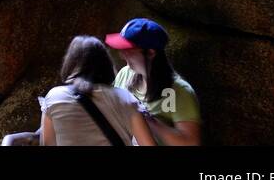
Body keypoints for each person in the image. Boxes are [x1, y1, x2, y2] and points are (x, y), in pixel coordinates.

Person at [39, 36, 156, 146]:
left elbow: (47, 143)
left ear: (70, 63)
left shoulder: (54, 96)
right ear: (106, 64)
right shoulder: (126, 98)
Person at [105, 18, 202, 146]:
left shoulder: (179, 91)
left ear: (150, 53)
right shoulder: (124, 74)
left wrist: (148, 121)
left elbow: (190, 143)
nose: (122, 55)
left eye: (128, 50)